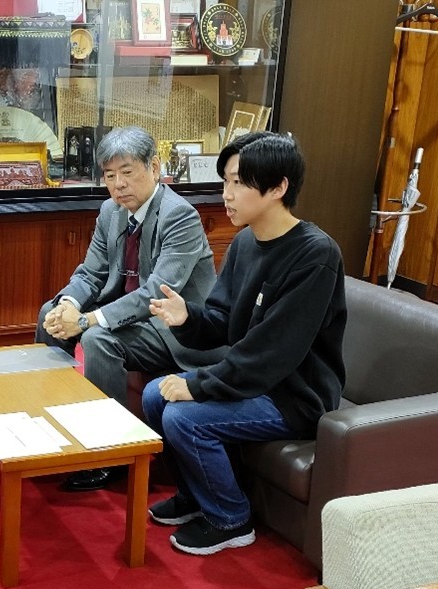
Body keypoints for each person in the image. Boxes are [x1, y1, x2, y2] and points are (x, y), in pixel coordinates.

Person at [142, 131, 347, 555]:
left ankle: (231, 519)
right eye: (226, 182)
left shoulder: (316, 254)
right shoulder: (245, 242)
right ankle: (195, 497)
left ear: (278, 188)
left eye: (238, 182)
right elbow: (222, 320)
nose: (227, 194)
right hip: (255, 382)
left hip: (294, 396)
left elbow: (273, 353)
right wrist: (188, 317)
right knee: (154, 395)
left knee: (184, 417)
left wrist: (198, 385)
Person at [36, 126, 221, 491]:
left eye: (127, 172)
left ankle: (111, 454)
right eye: (109, 175)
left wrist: (87, 320)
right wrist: (68, 305)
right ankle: (53, 428)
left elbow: (156, 292)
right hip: (132, 316)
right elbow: (91, 273)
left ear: (154, 167)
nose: (118, 184)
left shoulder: (179, 216)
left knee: (98, 338)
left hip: (176, 330)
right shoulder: (111, 211)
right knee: (50, 312)